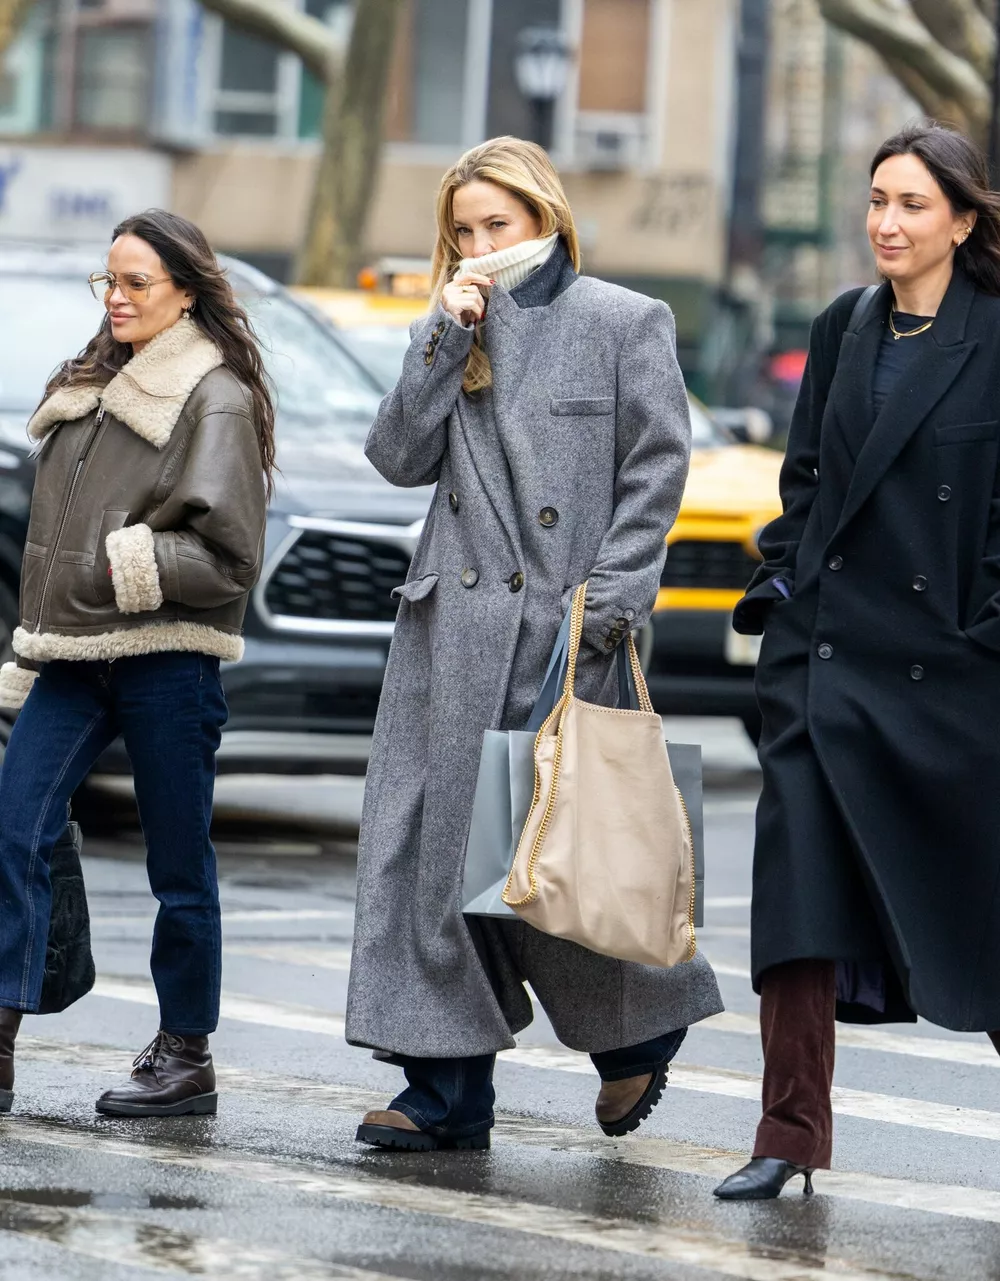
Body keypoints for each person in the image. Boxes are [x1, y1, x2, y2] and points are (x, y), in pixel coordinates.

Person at [346, 135, 722, 1152]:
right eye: (461, 230)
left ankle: (637, 1026)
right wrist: (442, 334)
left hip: (562, 631)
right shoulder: (450, 327)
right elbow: (395, 458)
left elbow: (656, 469)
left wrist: (610, 605)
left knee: (552, 853)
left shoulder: (623, 319)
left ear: (545, 218)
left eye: (495, 225)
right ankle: (445, 1088)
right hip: (450, 636)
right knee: (424, 860)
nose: (478, 246)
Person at [715, 121, 1000, 1201]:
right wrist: (782, 592)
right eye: (878, 199)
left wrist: (982, 636)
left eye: (912, 204)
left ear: (961, 221)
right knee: (799, 909)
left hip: (948, 677)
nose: (887, 221)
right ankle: (787, 1133)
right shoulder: (844, 325)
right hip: (823, 664)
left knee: (973, 914)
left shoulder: (994, 335)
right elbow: (807, 483)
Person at [0, 209, 272, 1118]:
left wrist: (131, 562)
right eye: (107, 281)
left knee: (179, 865)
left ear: (185, 293)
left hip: (167, 659)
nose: (115, 298)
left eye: (135, 283)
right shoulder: (90, 382)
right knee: (13, 828)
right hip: (73, 658)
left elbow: (231, 556)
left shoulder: (213, 395)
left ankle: (186, 1053)